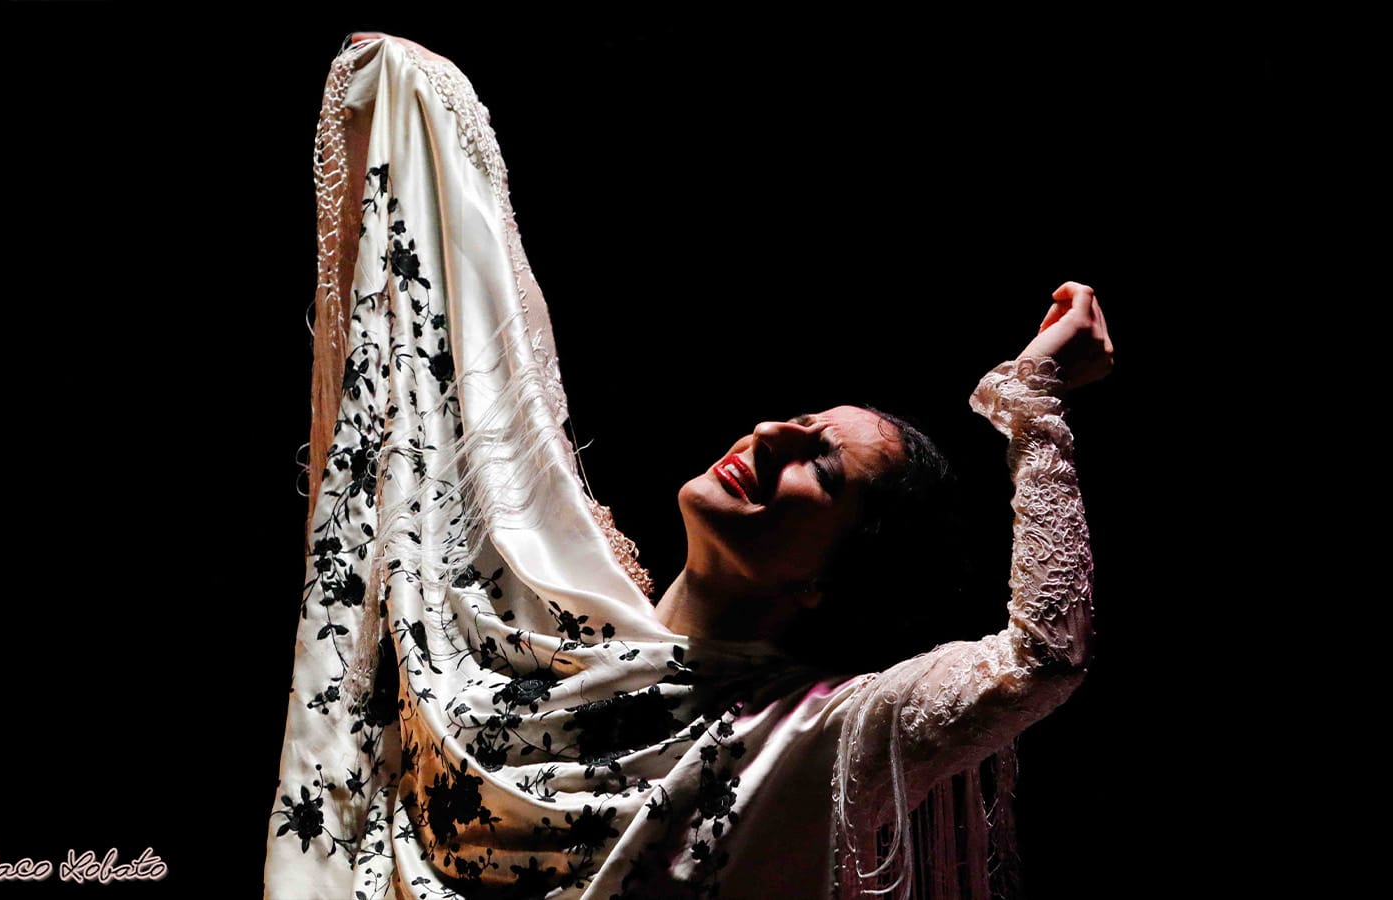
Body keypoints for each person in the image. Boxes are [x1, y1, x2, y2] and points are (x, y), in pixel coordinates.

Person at [265, 32, 1109, 900]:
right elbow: (467, 382)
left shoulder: (816, 733)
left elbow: (1042, 656)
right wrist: (420, 121)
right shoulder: (542, 609)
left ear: (831, 577)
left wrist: (1035, 399)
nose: (771, 433)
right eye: (800, 419)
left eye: (821, 466)